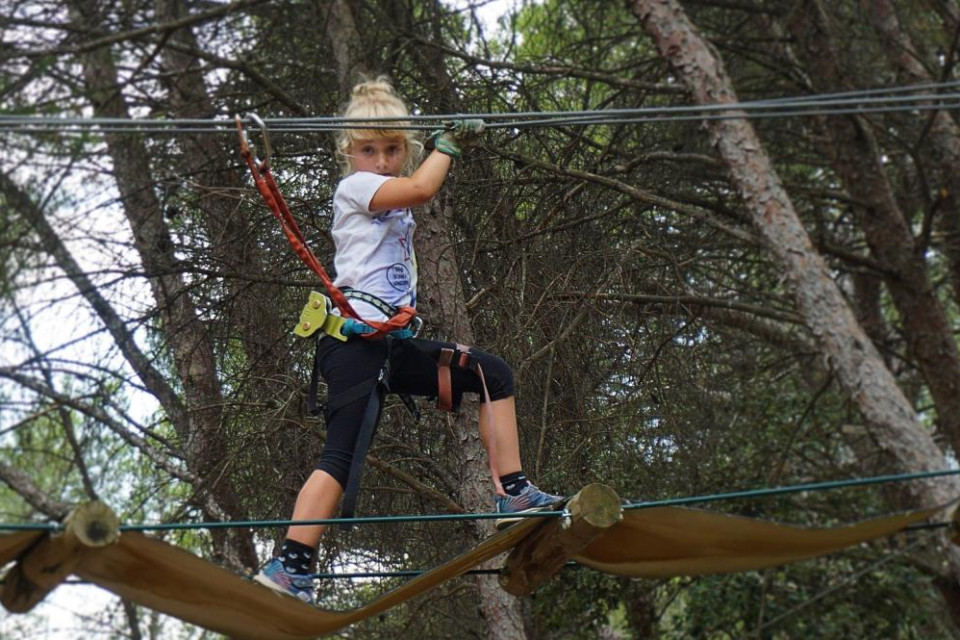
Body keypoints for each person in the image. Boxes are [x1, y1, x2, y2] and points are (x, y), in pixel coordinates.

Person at [255, 77, 561, 604]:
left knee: (493, 373)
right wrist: (446, 147)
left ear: (404, 147)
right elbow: (421, 188)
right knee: (342, 453)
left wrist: (435, 146)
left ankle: (512, 492)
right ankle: (291, 563)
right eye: (368, 150)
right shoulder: (356, 188)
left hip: (389, 344)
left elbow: (412, 193)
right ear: (349, 154)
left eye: (392, 148)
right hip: (352, 342)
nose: (380, 159)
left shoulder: (389, 194)